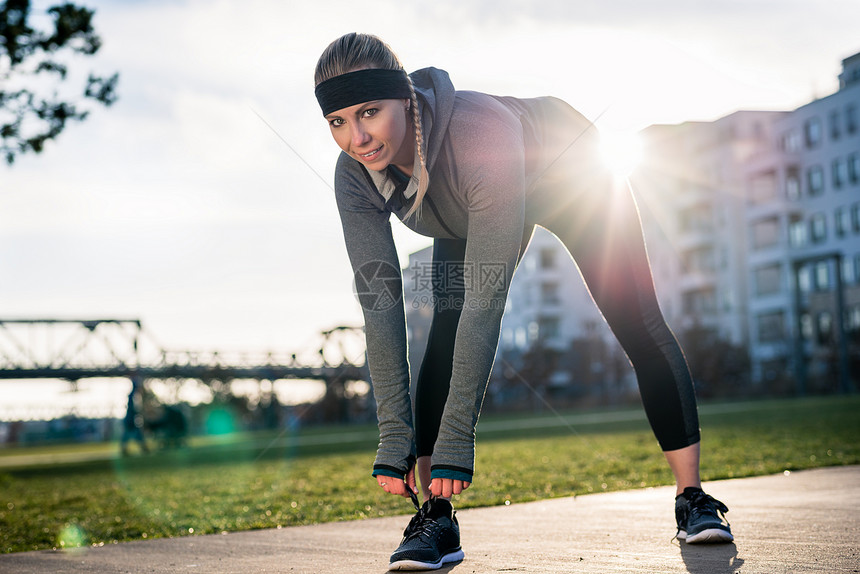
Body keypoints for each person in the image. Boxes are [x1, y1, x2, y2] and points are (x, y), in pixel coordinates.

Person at [314, 32, 733, 571]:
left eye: (369, 112)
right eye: (338, 122)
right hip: (467, 206)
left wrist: (458, 439)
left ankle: (693, 500)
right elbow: (380, 300)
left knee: (636, 322)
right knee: (444, 329)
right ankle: (435, 518)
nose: (357, 137)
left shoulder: (477, 133)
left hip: (573, 175)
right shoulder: (353, 176)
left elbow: (488, 300)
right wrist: (393, 435)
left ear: (406, 99)